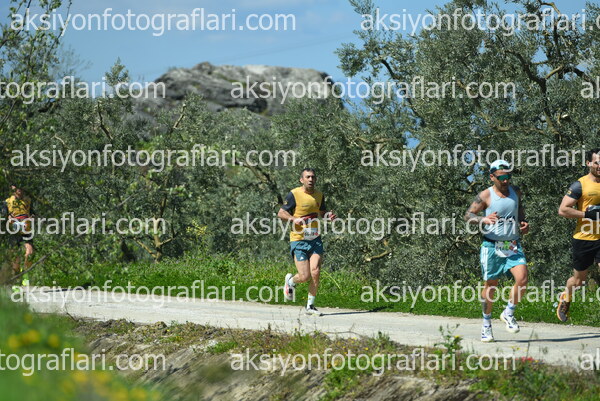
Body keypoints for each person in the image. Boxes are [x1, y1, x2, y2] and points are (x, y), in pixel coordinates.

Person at [465, 160, 529, 342]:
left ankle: (508, 312)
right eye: (502, 177)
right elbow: (468, 215)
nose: (506, 180)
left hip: (511, 244)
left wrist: (523, 223)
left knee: (522, 278)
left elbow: (519, 209)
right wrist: (482, 220)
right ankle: (486, 325)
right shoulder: (486, 195)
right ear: (492, 177)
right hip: (491, 246)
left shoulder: (516, 191)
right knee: (491, 286)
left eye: (508, 176)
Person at [278, 168, 336, 316]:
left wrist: (328, 216)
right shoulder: (294, 194)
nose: (311, 179)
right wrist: (293, 219)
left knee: (315, 271)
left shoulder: (319, 195)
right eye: (308, 177)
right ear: (301, 180)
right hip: (298, 240)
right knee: (304, 276)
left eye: (313, 177)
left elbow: (321, 213)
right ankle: (291, 281)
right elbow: (281, 213)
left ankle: (310, 306)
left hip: (315, 239)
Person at [556, 148, 600, 322]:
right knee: (578, 281)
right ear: (588, 163)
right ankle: (566, 297)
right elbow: (563, 210)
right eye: (596, 162)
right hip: (584, 238)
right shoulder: (580, 185)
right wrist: (587, 215)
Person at [2, 184, 35, 286]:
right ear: (12, 188)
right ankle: (17, 279)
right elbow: (3, 215)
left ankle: (26, 275)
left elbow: (32, 213)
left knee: (30, 253)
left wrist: (32, 218)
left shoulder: (28, 201)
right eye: (16, 187)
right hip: (13, 232)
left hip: (26, 231)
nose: (19, 189)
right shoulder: (7, 202)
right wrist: (8, 217)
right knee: (15, 259)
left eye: (21, 186)